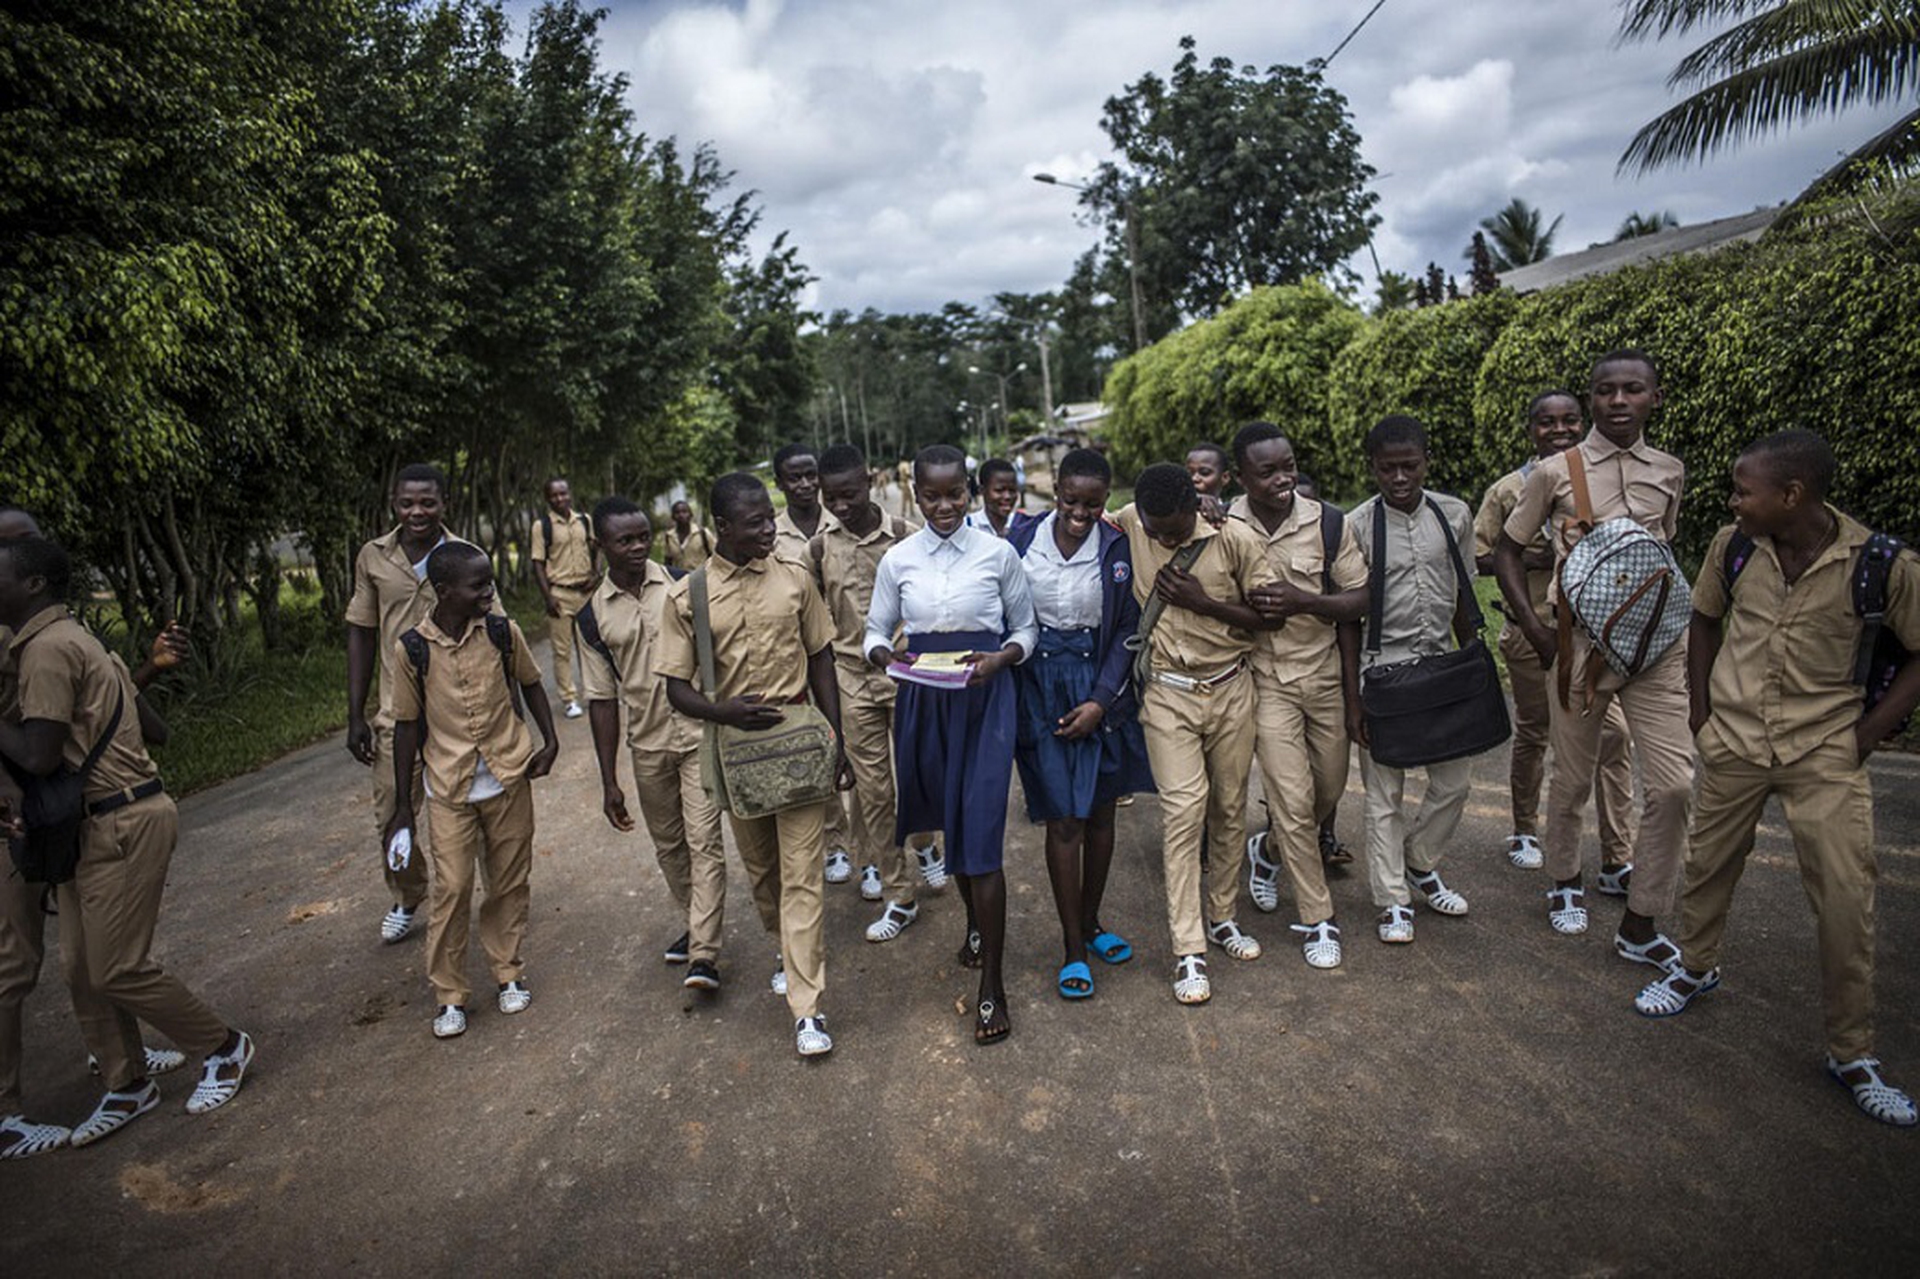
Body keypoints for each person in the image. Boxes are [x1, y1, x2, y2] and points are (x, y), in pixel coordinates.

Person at [1636, 430, 1920, 1127]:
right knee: (1708, 863)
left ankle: (1851, 1051)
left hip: (1824, 748)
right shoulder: (1732, 547)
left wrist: (1864, 734)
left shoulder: (1884, 564)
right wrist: (1702, 711)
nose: (1734, 500)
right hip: (1733, 737)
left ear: (1791, 495)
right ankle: (1694, 965)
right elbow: (1704, 617)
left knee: (1847, 893)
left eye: (1743, 489)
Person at [0, 537, 254, 1145]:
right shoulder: (62, 642)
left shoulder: (47, 651)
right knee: (81, 967)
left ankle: (223, 1045)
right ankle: (127, 1082)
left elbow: (37, 755)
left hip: (121, 821)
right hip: (96, 823)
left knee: (116, 968)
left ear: (33, 585)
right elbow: (147, 727)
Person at [1494, 350, 1692, 958]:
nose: (1618, 401)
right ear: (1593, 399)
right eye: (1606, 391)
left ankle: (1641, 919)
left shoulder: (1670, 470)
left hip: (1657, 648)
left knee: (1677, 785)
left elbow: (1661, 550)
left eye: (1633, 390)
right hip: (1579, 646)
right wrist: (1533, 627)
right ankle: (1563, 880)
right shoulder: (1556, 472)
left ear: (1654, 398)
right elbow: (1506, 549)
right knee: (1574, 776)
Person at [659, 472, 850, 1058]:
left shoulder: (794, 578)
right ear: (723, 527)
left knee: (801, 878)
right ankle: (784, 948)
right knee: (763, 875)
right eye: (757, 522)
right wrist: (722, 711)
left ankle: (806, 1006)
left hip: (797, 748)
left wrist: (834, 737)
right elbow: (674, 688)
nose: (771, 529)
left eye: (772, 519)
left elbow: (821, 658)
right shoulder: (686, 596)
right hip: (737, 755)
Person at [866, 445, 1036, 1043]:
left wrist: (1004, 657)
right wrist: (887, 655)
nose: (944, 506)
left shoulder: (998, 553)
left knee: (981, 836)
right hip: (924, 702)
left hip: (986, 700)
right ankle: (973, 923)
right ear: (915, 494)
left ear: (969, 491)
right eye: (931, 496)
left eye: (955, 494)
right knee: (951, 825)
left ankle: (993, 985)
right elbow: (874, 629)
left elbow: (1024, 628)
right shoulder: (898, 559)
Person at [1113, 463, 1273, 1003]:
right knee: (1183, 811)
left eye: (1176, 529)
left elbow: (1269, 617)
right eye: (1157, 531)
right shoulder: (1135, 520)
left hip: (1230, 687)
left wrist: (1204, 603)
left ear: (1196, 505)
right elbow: (1080, 517)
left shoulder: (1234, 536)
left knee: (1229, 808)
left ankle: (1223, 915)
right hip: (1167, 693)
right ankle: (1189, 948)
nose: (1166, 538)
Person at [385, 543, 559, 1039]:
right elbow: (405, 726)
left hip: (507, 777)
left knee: (508, 882)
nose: (489, 592)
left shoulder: (503, 632)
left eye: (490, 583)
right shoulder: (412, 649)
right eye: (478, 586)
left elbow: (530, 684)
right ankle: (449, 994)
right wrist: (403, 808)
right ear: (444, 592)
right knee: (453, 888)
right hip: (448, 788)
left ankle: (508, 972)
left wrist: (549, 742)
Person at [1006, 448, 1155, 998]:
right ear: (1055, 491)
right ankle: (1072, 947)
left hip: (1101, 691)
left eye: (1093, 503)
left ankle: (1092, 924)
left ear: (1105, 500)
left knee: (1098, 816)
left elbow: (1126, 630)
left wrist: (1099, 700)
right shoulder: (1021, 541)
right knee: (1063, 819)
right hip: (1040, 689)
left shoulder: (1117, 545)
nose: (1080, 512)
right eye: (1070, 500)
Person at [1474, 392, 1635, 872]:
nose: (1559, 430)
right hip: (1532, 633)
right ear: (1531, 429)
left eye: (1569, 421)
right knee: (1535, 732)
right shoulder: (1507, 489)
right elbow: (1480, 558)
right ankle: (1525, 829)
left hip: (1596, 636)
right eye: (1547, 422)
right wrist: (1532, 556)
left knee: (1614, 738)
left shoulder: (1605, 483)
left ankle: (1618, 854)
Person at [1230, 424, 1368, 969]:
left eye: (1288, 465)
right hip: (1264, 682)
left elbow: (1360, 600)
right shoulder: (1220, 524)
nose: (1283, 478)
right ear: (1243, 478)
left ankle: (1264, 852)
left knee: (1326, 792)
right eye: (1267, 471)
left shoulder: (1329, 522)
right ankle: (1318, 918)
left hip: (1325, 677)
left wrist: (1303, 600)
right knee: (1290, 799)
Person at [581, 498, 727, 990]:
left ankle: (704, 954)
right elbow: (602, 700)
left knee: (704, 842)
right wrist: (609, 780)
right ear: (600, 546)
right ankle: (695, 920)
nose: (638, 546)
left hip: (697, 736)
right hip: (647, 744)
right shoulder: (591, 617)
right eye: (625, 540)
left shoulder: (685, 585)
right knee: (669, 847)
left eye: (644, 535)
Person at [1342, 416, 1478, 945]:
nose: (1399, 477)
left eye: (1410, 466)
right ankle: (1393, 900)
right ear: (1372, 468)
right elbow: (1348, 618)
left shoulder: (1454, 514)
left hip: (1442, 662)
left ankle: (1420, 860)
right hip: (1383, 668)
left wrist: (1473, 666)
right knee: (1384, 793)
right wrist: (1355, 698)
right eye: (1387, 468)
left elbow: (1465, 593)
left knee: (1455, 781)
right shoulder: (1357, 526)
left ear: (1427, 461)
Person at [345, 463, 475, 946]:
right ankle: (408, 893)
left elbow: (495, 629)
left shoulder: (467, 555)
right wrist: (354, 713)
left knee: (463, 812)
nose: (417, 512)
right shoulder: (373, 557)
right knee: (392, 814)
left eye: (427, 502)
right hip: (395, 713)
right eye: (407, 503)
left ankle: (458, 896)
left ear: (445, 503)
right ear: (394, 504)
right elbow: (360, 631)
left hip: (458, 714)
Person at [813, 445, 924, 937]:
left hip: (907, 676)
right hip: (851, 680)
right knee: (875, 793)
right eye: (830, 497)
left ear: (869, 485)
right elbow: (815, 629)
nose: (841, 505)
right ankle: (899, 894)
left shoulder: (906, 537)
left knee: (921, 779)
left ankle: (927, 846)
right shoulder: (817, 550)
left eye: (850, 494)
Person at [772, 443, 853, 885]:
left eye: (809, 476)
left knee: (858, 749)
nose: (804, 485)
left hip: (852, 653)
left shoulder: (842, 516)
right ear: (780, 483)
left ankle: (871, 847)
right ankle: (835, 842)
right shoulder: (771, 533)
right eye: (794, 477)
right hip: (801, 658)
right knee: (820, 746)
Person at [1294, 471, 1352, 868]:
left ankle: (1323, 832)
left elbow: (1352, 609)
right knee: (1290, 780)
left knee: (1328, 775)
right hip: (1271, 673)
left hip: (1324, 669)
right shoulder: (1241, 526)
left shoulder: (1332, 530)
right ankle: (1280, 854)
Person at [530, 477, 598, 719]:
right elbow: (537, 563)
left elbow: (595, 548)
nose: (560, 498)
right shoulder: (542, 526)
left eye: (563, 493)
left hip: (586, 593)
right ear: (548, 499)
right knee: (562, 651)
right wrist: (548, 597)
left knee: (590, 646)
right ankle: (569, 699)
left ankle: (594, 692)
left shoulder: (584, 520)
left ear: (570, 494)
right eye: (554, 495)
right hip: (560, 593)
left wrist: (596, 573)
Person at [969, 458, 1020, 538]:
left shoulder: (1022, 527)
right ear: (982, 490)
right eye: (999, 490)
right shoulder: (969, 527)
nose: (1007, 496)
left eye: (1012, 490)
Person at [663, 500, 715, 574]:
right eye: (677, 512)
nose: (681, 515)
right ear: (673, 517)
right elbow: (668, 561)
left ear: (690, 514)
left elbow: (716, 556)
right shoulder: (669, 537)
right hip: (679, 579)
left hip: (701, 577)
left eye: (684, 512)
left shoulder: (702, 533)